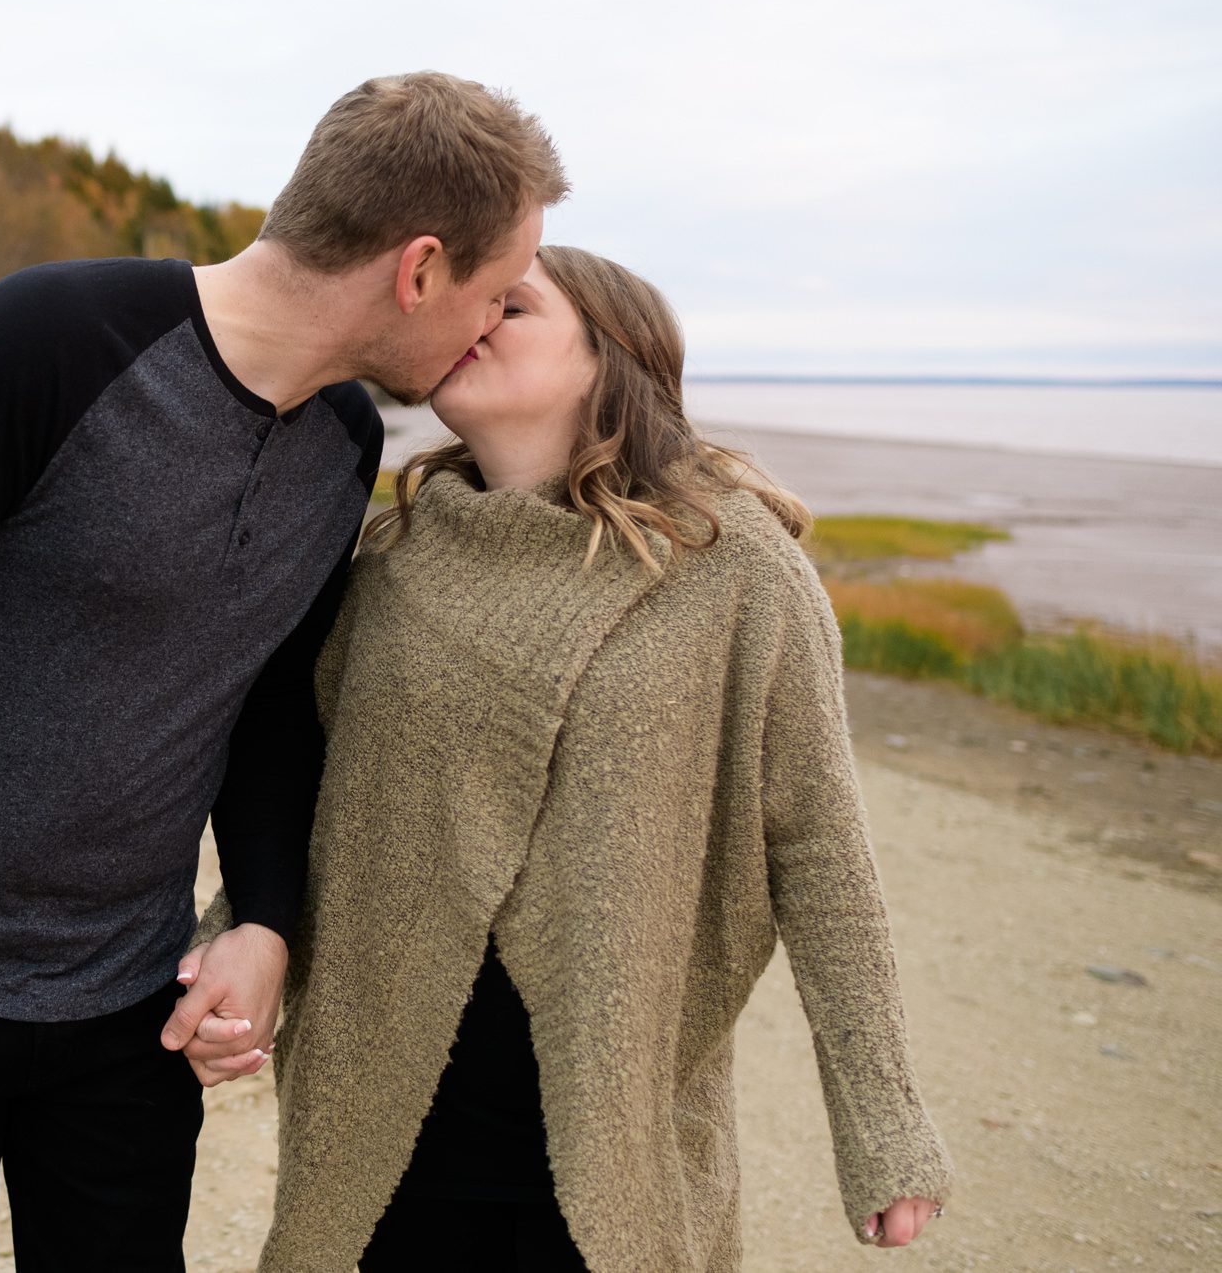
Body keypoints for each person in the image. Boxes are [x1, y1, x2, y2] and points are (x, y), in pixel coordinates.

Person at [0, 71, 570, 1270]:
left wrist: (262, 914)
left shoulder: (343, 440)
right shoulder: (40, 344)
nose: (490, 322)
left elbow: (264, 693)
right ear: (416, 269)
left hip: (123, 997)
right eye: (491, 287)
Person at [184, 245, 955, 1271]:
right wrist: (237, 932)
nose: (475, 318)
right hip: (383, 1118)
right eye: (469, 299)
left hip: (610, 1127)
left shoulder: (734, 566)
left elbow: (816, 848)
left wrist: (882, 1124)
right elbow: (308, 782)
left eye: (512, 305)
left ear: (608, 359)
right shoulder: (395, 555)